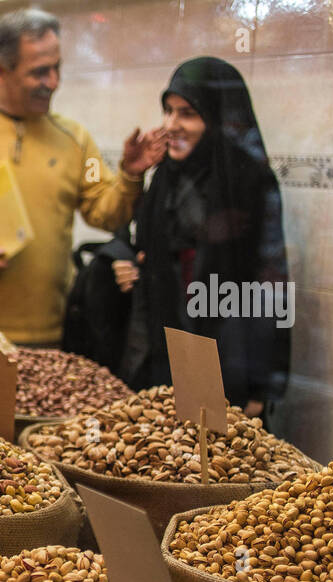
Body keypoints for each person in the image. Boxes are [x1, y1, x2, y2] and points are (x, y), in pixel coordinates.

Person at [0, 8, 165, 344]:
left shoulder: (76, 139)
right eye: (40, 72)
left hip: (54, 334)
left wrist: (129, 175)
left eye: (57, 69)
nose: (53, 82)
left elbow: (105, 213)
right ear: (0, 70)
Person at [114, 56, 290, 417]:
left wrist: (261, 383)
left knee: (220, 462)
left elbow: (269, 280)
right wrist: (129, 261)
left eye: (187, 113)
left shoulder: (248, 182)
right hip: (162, 347)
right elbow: (146, 243)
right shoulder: (166, 176)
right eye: (168, 110)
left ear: (218, 118)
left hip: (224, 352)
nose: (171, 125)